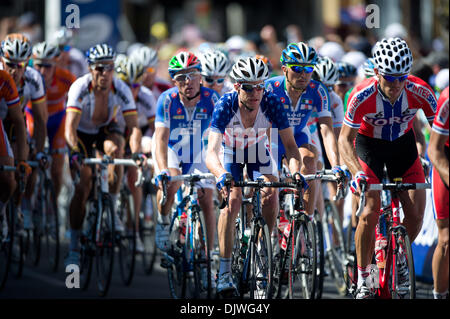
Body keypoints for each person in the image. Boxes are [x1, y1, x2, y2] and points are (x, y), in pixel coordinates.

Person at [339, 37, 437, 299]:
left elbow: (440, 133)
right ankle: (364, 277)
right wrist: (355, 172)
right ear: (377, 73)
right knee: (369, 210)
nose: (395, 85)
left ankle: (398, 257)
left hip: (401, 147)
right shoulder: (362, 95)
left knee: (415, 214)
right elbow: (344, 140)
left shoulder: (420, 90)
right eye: (389, 78)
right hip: (369, 147)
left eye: (401, 78)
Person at [206, 57, 303, 295]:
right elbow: (210, 152)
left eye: (260, 86)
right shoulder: (225, 104)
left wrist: (296, 172)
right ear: (237, 86)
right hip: (231, 151)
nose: (256, 92)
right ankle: (225, 270)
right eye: (249, 87)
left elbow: (290, 146)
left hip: (259, 148)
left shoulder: (272, 102)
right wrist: (220, 175)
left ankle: (263, 250)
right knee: (233, 201)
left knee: (272, 194)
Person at [64, 43, 143, 267]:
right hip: (81, 134)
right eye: (100, 68)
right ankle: (74, 244)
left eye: (110, 68)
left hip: (105, 130)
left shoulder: (121, 88)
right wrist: (76, 153)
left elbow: (134, 127)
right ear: (90, 69)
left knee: (116, 150)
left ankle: (113, 204)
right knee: (83, 185)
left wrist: (136, 153)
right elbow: (70, 127)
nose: (105, 74)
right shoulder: (80, 87)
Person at [152, 51, 219, 284]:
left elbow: (221, 137)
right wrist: (162, 169)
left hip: (200, 152)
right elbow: (160, 139)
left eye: (192, 75)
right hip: (173, 150)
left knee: (207, 199)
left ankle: (208, 258)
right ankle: (162, 223)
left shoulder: (212, 99)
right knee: (172, 182)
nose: (187, 81)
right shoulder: (166, 99)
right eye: (180, 77)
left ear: (200, 76)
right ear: (173, 80)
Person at [265, 42, 343, 220]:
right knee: (267, 196)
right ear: (284, 69)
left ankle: (305, 221)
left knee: (310, 161)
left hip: (299, 136)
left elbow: (327, 131)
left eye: (308, 69)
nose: (303, 74)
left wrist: (336, 165)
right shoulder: (271, 88)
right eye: (297, 68)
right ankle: (265, 238)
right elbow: (264, 129)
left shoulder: (318, 90)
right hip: (271, 138)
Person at [1, 33, 48, 230]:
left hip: (16, 120)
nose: (14, 70)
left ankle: (18, 208)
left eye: (19, 65)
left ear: (27, 64)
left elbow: (40, 118)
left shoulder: (33, 78)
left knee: (23, 164)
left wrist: (38, 149)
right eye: (9, 64)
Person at [115, 55, 156, 253]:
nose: (132, 90)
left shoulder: (147, 96)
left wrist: (146, 146)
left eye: (136, 85)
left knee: (134, 177)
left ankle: (135, 229)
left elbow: (155, 128)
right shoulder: (113, 95)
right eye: (126, 85)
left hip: (137, 132)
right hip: (115, 131)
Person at [27, 41, 76, 202]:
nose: (42, 71)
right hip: (33, 117)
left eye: (48, 66)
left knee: (57, 169)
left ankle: (53, 206)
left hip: (57, 119)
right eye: (39, 65)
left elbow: (79, 96)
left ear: (56, 64)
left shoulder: (65, 77)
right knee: (31, 161)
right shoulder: (28, 76)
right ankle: (27, 202)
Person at [0, 69, 29, 228]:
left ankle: (1, 213)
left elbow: (19, 121)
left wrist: (23, 160)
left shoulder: (4, 79)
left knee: (9, 179)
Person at [427, 86, 449, 299]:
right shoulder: (447, 97)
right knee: (446, 238)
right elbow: (434, 149)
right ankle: (439, 294)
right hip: (445, 157)